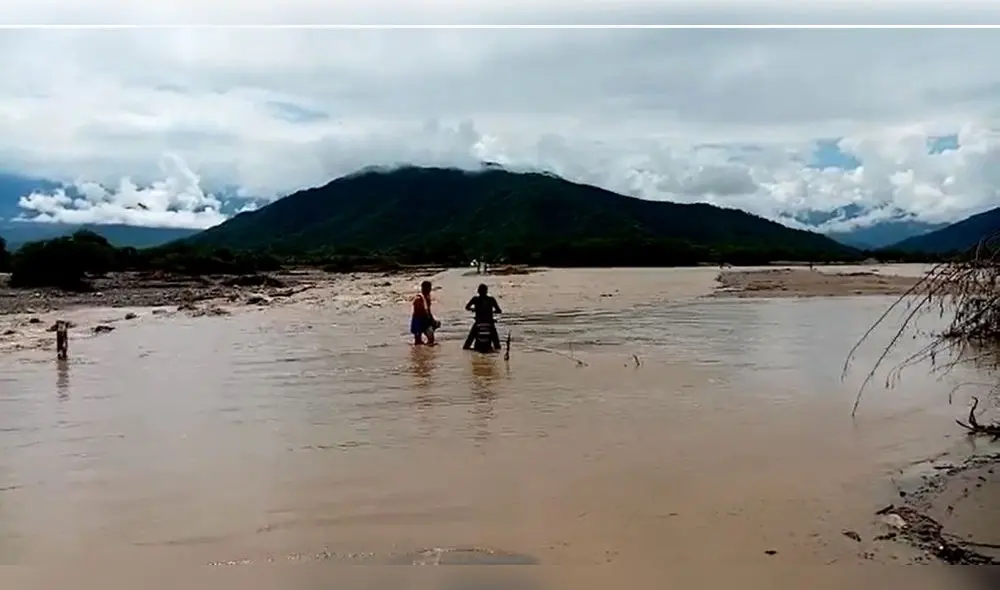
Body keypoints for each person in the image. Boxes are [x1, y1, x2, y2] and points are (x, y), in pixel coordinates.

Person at [463, 283, 502, 352]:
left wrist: (474, 309)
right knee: (497, 345)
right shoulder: (491, 299)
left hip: (478, 322)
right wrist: (492, 311)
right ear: (486, 291)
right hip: (489, 322)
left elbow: (467, 307)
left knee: (467, 345)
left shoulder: (475, 299)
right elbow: (499, 310)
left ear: (478, 291)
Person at [411, 280, 440, 345]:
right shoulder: (418, 298)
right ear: (423, 288)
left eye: (430, 288)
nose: (429, 290)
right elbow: (419, 310)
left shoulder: (427, 297)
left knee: (430, 338)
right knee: (418, 340)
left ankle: (426, 348)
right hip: (418, 319)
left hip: (424, 319)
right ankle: (422, 351)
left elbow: (428, 310)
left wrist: (433, 320)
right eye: (428, 288)